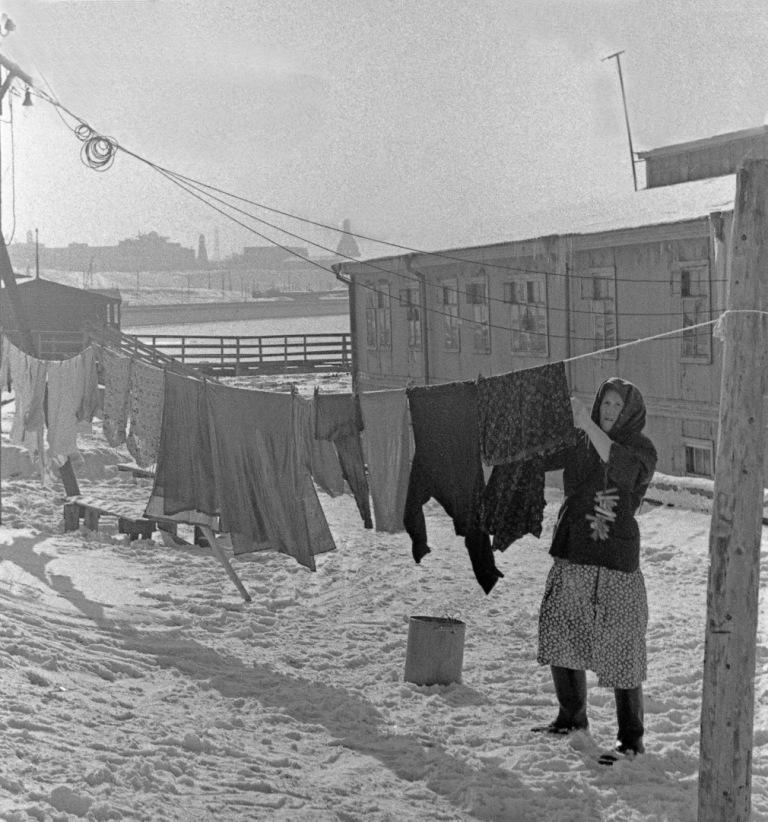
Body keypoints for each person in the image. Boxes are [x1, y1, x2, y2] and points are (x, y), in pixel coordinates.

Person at [532, 377, 657, 766]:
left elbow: (619, 466)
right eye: (604, 403)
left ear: (630, 412)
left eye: (616, 406)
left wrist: (585, 426)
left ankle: (630, 739)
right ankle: (571, 718)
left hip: (615, 563)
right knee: (561, 631)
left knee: (621, 646)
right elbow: (541, 452)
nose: (607, 411)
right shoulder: (579, 440)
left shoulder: (640, 449)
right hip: (574, 552)